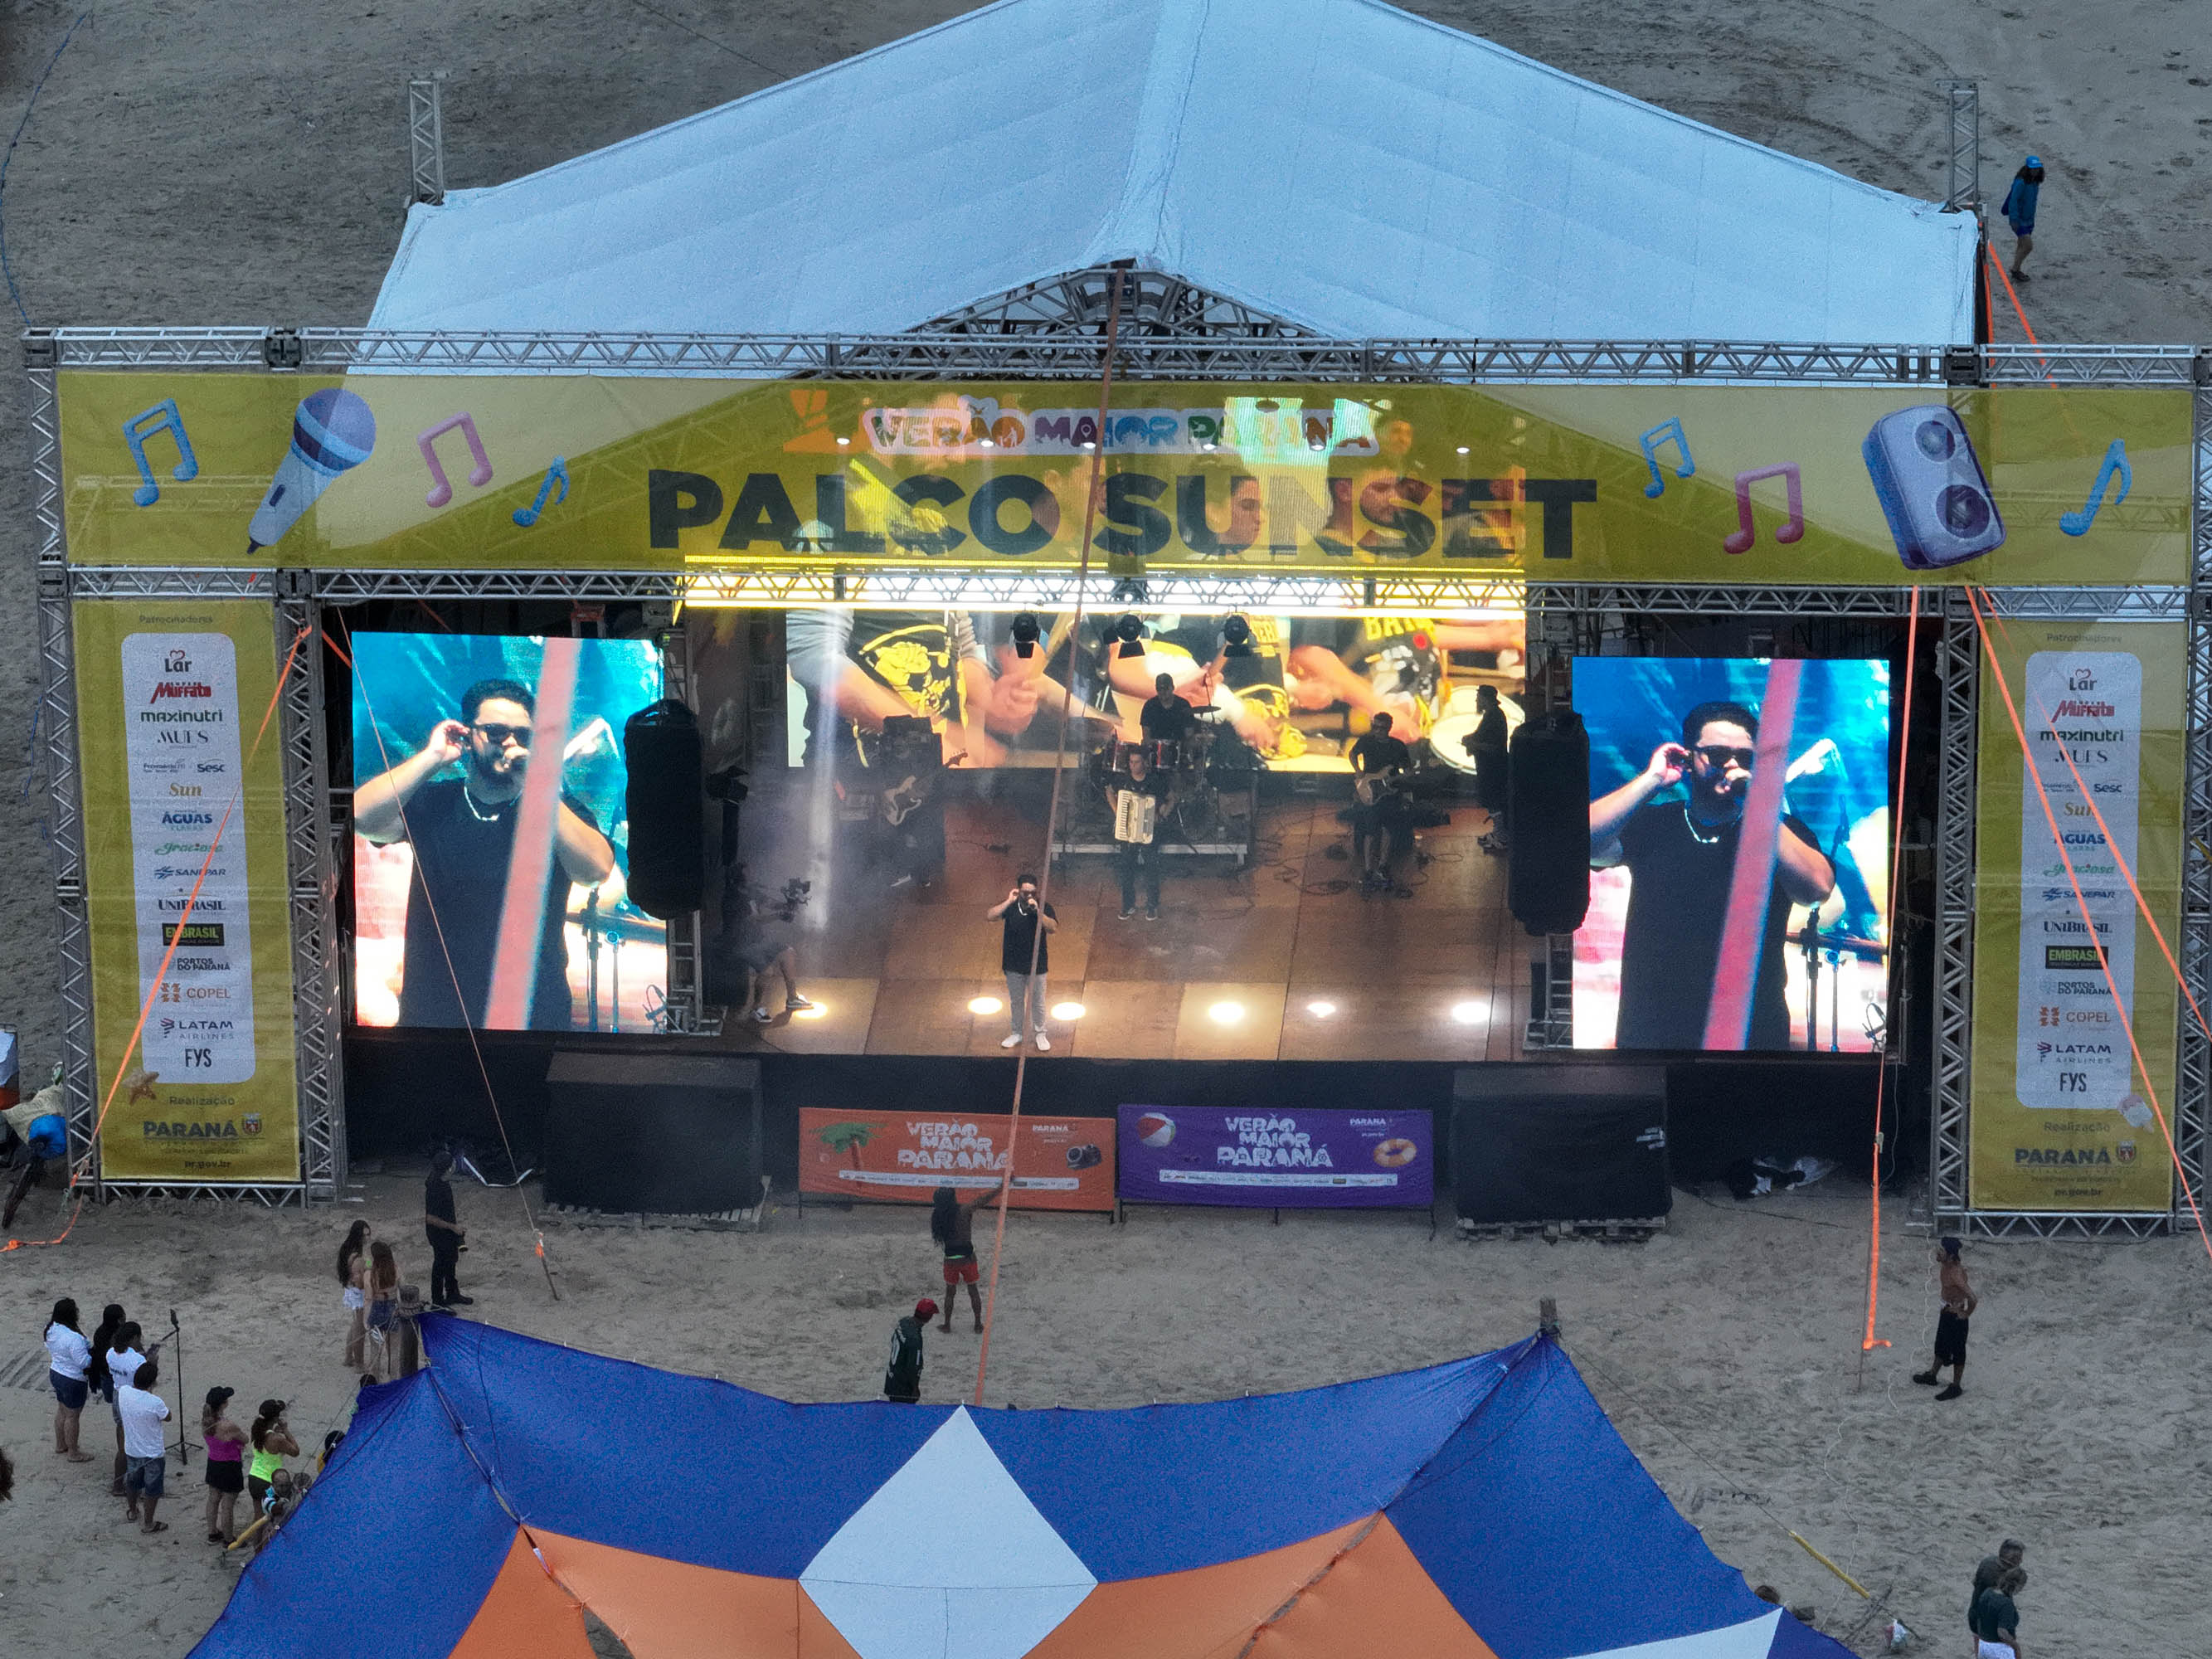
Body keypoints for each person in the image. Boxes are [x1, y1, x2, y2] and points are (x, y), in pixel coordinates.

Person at [353, 677, 617, 1031]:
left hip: (532, 1014)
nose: (510, 743)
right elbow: (361, 817)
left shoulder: (556, 809)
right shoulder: (437, 802)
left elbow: (595, 870)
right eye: (495, 732)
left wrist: (538, 789)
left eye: (523, 735)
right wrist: (433, 757)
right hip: (435, 1012)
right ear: (468, 735)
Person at [1588, 700, 1835, 1050]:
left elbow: (1817, 889)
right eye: (1718, 754)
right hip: (1655, 1029)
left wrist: (1759, 807)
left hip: (1752, 1031)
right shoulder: (1657, 824)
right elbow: (1582, 842)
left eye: (1745, 757)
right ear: (1690, 758)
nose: (1732, 765)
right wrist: (1652, 780)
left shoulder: (1781, 832)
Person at [987, 874, 1057, 1051]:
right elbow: (990, 916)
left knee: (1038, 1002)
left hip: (1037, 965)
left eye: (1033, 892)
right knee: (1016, 1001)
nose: (1029, 896)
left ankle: (1040, 1033)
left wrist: (1038, 911)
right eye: (1025, 893)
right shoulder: (1011, 907)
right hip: (1013, 964)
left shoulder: (1044, 907)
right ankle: (1017, 1032)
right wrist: (1008, 901)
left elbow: (1053, 928)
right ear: (1019, 891)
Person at [930, 1177, 1008, 1332]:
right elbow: (983, 1200)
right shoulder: (964, 1211)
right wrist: (1001, 1187)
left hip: (950, 1259)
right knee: (973, 1290)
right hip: (968, 1258)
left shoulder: (937, 1216)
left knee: (950, 1293)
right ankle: (978, 1324)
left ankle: (947, 1325)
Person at [1349, 710, 1415, 888]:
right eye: (1375, 727)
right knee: (1370, 832)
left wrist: (1401, 777)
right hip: (1370, 791)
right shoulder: (1366, 741)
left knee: (1388, 831)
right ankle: (1368, 869)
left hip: (1389, 793)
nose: (1377, 731)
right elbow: (1352, 754)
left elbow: (1408, 771)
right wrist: (1358, 771)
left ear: (1389, 728)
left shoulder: (1398, 746)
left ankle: (1383, 866)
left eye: (1381, 728)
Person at [1110, 745, 1172, 921]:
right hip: (1127, 831)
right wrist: (1117, 811)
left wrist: (1162, 815)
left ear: (1145, 762)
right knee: (1126, 868)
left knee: (1151, 868)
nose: (1133, 766)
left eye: (1136, 762)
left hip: (1149, 831)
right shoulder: (1123, 779)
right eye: (1131, 762)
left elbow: (1171, 798)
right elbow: (1109, 791)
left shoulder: (1155, 781)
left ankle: (1152, 906)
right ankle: (1128, 905)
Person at [1914, 1236, 1977, 1400]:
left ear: (1950, 1256)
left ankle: (1956, 1386)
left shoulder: (1955, 1274)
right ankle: (1932, 1375)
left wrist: (1965, 1313)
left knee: (1957, 1351)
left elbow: (1973, 1298)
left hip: (1956, 1317)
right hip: (1946, 1312)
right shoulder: (1946, 1265)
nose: (1938, 1252)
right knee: (1941, 1344)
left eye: (1941, 1250)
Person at [102, 1319, 156, 1497]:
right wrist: (152, 1363)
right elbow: (147, 1383)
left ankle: (119, 1485)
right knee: (134, 1446)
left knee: (122, 1441)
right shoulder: (138, 1360)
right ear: (134, 1338)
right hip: (133, 1400)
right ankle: (130, 1486)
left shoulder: (111, 1353)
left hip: (118, 1395)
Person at [117, 1359, 172, 1534]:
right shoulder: (155, 1402)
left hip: (132, 1449)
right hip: (153, 1453)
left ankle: (133, 1511)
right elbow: (168, 1417)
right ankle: (148, 1523)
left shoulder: (124, 1392)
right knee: (152, 1489)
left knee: (132, 1483)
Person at [43, 1297, 95, 1462]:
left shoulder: (50, 1329)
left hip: (56, 1372)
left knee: (62, 1410)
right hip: (73, 1379)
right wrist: (93, 1357)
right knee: (72, 1416)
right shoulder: (74, 1338)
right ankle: (73, 1452)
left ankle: (61, 1444)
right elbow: (83, 1362)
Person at [85, 1302, 125, 1492]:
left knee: (111, 1399)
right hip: (111, 1376)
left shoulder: (100, 1332)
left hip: (104, 1375)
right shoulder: (115, 1338)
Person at [425, 1153, 471, 1310]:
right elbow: (430, 1218)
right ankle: (437, 1301)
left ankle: (452, 1293)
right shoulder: (435, 1188)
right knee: (440, 1265)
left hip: (448, 1231)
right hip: (439, 1234)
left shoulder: (442, 1181)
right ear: (448, 1168)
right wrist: (453, 1227)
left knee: (451, 1261)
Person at [1468, 685, 1511, 855]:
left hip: (1493, 768)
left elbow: (1494, 746)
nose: (1476, 701)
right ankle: (1498, 833)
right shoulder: (1491, 715)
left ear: (1485, 699)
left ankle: (1502, 838)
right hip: (1490, 766)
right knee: (1493, 801)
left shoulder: (1495, 717)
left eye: (1479, 697)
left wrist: (1473, 744)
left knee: (1494, 801)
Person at [202, 1386, 247, 1545]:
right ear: (223, 1404)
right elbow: (245, 1439)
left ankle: (212, 1532)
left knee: (213, 1498)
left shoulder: (206, 1422)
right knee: (228, 1504)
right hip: (229, 1466)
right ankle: (228, 1539)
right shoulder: (228, 1425)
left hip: (213, 1462)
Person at [246, 1399, 298, 1515]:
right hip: (269, 1482)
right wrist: (285, 1430)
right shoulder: (276, 1439)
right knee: (275, 1516)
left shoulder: (256, 1431)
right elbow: (295, 1451)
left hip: (254, 1478)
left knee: (258, 1516)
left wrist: (275, 1432)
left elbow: (264, 1443)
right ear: (275, 1419)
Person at [884, 1298, 936, 1403]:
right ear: (929, 1317)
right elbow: (913, 1368)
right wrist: (915, 1388)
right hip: (903, 1386)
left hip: (892, 1376)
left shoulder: (903, 1322)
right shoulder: (914, 1340)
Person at [2000, 156, 2044, 280]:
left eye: (2037, 169)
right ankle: (2015, 269)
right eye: (2033, 169)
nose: (2035, 171)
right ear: (2027, 169)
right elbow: (2013, 201)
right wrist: (2014, 220)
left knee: (2022, 245)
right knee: (2028, 246)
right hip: (2019, 220)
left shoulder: (2035, 182)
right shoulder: (2021, 182)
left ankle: (2016, 268)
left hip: (2029, 220)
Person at [1971, 1565, 2026, 1658]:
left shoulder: (1987, 1593)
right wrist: (2016, 1647)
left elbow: (1977, 1620)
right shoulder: (2006, 1604)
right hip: (2000, 1650)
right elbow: (2002, 1633)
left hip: (1983, 1646)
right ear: (2017, 1586)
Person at [338, 1220, 372, 1368]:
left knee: (355, 1325)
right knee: (360, 1328)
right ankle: (359, 1362)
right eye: (365, 1235)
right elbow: (362, 1273)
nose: (367, 1238)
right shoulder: (356, 1254)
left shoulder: (348, 1248)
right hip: (358, 1291)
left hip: (351, 1289)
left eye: (368, 1234)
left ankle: (348, 1357)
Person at [1971, 1540, 2025, 1632]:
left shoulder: (1987, 1561)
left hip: (1974, 1615)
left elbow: (1974, 1581)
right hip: (1988, 1626)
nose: (2021, 1561)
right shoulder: (2006, 1579)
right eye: (2019, 1558)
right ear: (2011, 1559)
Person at [364, 1240, 401, 1374]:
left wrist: (365, 1320)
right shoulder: (396, 1270)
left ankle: (376, 1377)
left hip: (377, 1309)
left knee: (375, 1349)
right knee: (394, 1350)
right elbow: (402, 1291)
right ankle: (393, 1378)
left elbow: (368, 1299)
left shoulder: (370, 1275)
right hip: (393, 1309)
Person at [1137, 671, 1201, 747]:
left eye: (1165, 688)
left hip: (1179, 749)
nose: (1162, 692)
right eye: (1159, 689)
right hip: (1156, 749)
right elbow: (1146, 735)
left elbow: (1189, 735)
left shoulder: (1183, 705)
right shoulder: (1150, 706)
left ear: (1173, 688)